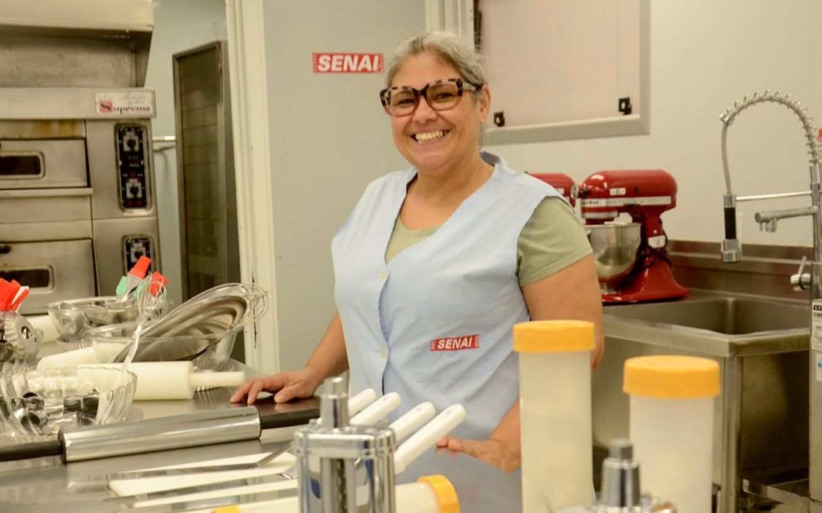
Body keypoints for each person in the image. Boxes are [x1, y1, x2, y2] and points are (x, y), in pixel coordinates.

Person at [231, 30, 604, 511]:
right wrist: (313, 372)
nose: (423, 114)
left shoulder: (534, 212)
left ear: (481, 101)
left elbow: (580, 348)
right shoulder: (377, 198)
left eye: (443, 94)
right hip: (385, 481)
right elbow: (366, 304)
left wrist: (509, 444)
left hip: (491, 478)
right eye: (405, 100)